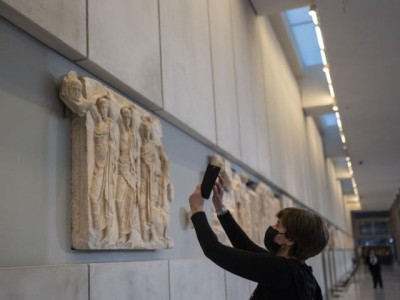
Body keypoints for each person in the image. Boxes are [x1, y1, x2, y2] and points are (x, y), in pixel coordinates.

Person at [188, 177, 329, 299]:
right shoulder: (298, 272)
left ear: (290, 240)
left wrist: (197, 210)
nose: (272, 227)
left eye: (278, 225)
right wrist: (220, 208)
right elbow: (246, 246)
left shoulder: (280, 270)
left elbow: (213, 250)